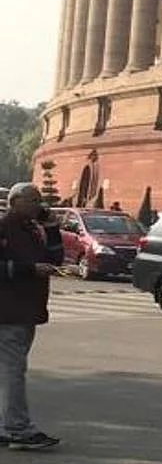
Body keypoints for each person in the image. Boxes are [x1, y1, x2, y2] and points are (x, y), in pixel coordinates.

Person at [0, 182, 64, 450]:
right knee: (14, 371)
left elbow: (56, 259)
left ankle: (8, 426)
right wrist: (29, 269)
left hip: (26, 309)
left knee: (8, 370)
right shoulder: (4, 228)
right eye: (33, 200)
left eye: (40, 200)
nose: (40, 205)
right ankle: (17, 428)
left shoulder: (32, 230)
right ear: (15, 201)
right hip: (9, 310)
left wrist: (52, 228)